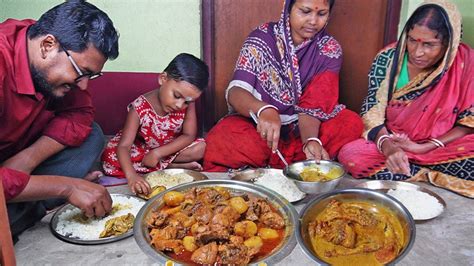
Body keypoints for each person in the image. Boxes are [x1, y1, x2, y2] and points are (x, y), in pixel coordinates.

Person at [0, 0, 119, 241]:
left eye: (91, 76)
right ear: (47, 45)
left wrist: (27, 159)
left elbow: (81, 112)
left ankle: (24, 203)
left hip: (18, 156)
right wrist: (66, 187)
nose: (83, 85)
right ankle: (34, 207)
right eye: (81, 72)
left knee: (92, 135)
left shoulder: (52, 52)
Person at [203, 0, 363, 171]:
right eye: (305, 11)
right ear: (288, 8)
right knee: (224, 135)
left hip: (304, 127)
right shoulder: (262, 37)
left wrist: (310, 140)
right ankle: (297, 164)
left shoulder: (329, 49)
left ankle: (296, 159)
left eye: (321, 14)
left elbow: (314, 107)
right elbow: (236, 91)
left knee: (350, 122)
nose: (313, 21)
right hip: (262, 128)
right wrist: (264, 110)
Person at [338, 0, 473, 198]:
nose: (418, 52)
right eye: (412, 40)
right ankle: (416, 169)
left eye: (429, 45)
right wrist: (389, 146)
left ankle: (417, 173)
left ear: (450, 44)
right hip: (395, 141)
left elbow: (469, 120)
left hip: (441, 145)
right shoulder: (388, 58)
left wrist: (426, 146)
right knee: (351, 157)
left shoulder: (466, 63)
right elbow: (371, 110)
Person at [101, 53, 209, 195]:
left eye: (187, 101)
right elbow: (125, 145)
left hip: (169, 147)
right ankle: (170, 166)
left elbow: (189, 135)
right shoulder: (139, 107)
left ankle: (163, 164)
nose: (180, 105)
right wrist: (132, 176)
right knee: (111, 158)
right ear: (163, 79)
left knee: (200, 148)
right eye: (176, 96)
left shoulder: (187, 104)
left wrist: (158, 153)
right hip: (142, 149)